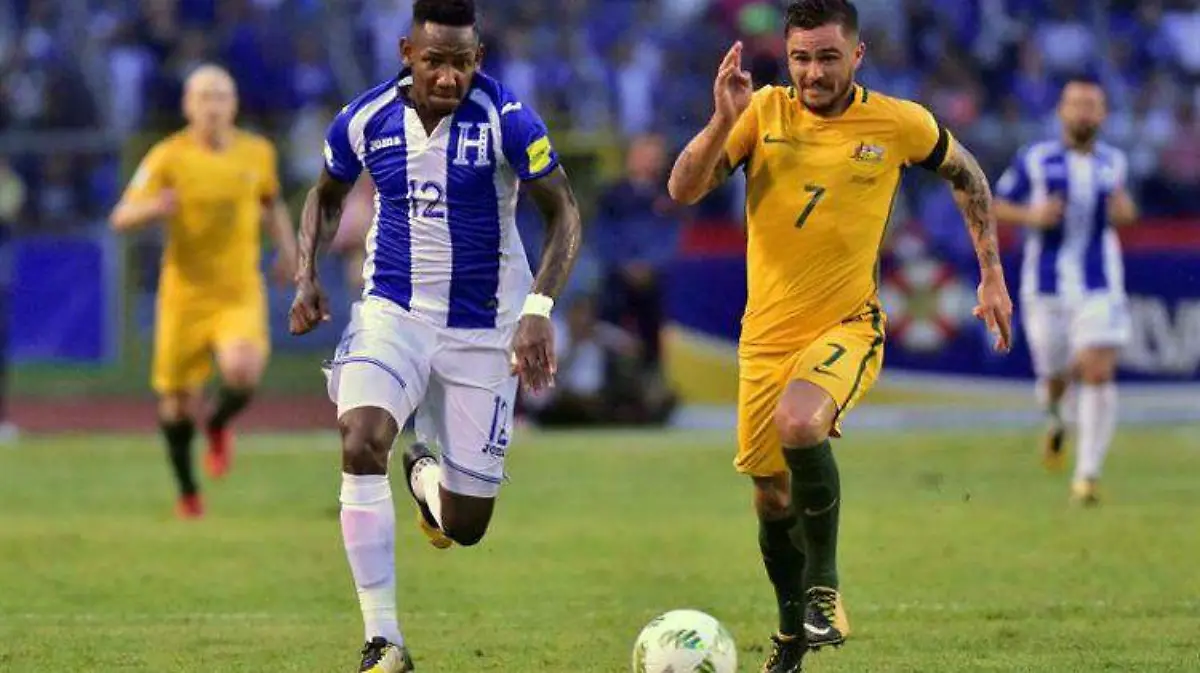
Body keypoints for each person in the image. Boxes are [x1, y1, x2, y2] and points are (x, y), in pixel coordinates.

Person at [667, 1, 1013, 670]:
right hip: (764, 337)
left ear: (857, 55)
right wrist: (722, 118)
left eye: (828, 57)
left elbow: (967, 174)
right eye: (801, 58)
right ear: (786, 57)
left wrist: (991, 275)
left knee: (801, 423)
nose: (814, 72)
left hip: (846, 325)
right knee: (771, 495)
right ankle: (791, 635)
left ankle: (824, 590)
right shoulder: (761, 113)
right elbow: (683, 189)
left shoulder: (898, 122)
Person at [287, 1, 582, 671]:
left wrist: (539, 307)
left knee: (465, 525)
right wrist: (306, 275)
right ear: (407, 53)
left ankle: (423, 473)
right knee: (361, 438)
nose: (449, 76)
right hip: (393, 314)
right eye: (434, 61)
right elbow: (326, 194)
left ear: (479, 58)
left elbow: (564, 211)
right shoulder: (364, 118)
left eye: (462, 62)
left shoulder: (507, 118)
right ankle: (383, 640)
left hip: (486, 328)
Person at [110, 64, 297, 519]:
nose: (213, 106)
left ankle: (216, 422)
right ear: (188, 105)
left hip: (238, 290)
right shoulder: (167, 156)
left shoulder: (257, 153)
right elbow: (121, 217)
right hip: (184, 296)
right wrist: (155, 207)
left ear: (234, 105)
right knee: (176, 405)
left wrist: (289, 252)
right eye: (204, 97)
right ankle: (188, 492)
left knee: (243, 370)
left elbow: (271, 203)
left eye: (221, 97)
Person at [994, 77, 1137, 506]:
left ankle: (1087, 477)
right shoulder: (1034, 158)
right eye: (1076, 104)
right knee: (1055, 378)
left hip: (1099, 282)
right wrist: (1032, 216)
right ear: (1061, 111)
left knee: (1097, 368)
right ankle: (1057, 421)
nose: (1084, 112)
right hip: (1046, 285)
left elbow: (1125, 212)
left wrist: (1124, 211)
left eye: (1092, 105)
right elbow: (995, 203)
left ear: (1103, 114)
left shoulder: (1114, 162)